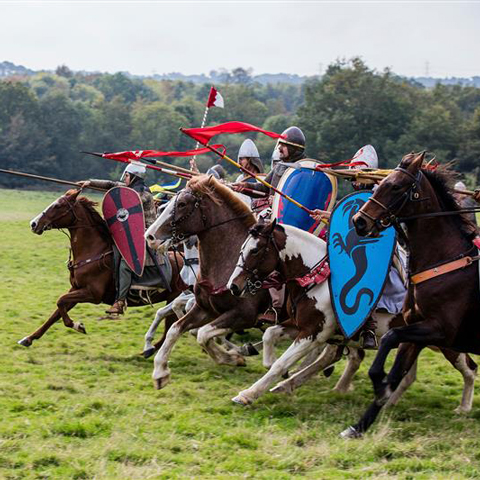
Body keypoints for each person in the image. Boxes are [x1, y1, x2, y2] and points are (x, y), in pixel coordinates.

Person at [311, 145, 407, 349]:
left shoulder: (378, 194)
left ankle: (370, 326)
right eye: (352, 176)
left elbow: (384, 224)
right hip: (357, 246)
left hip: (380, 247)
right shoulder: (359, 197)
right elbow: (352, 222)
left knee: (371, 274)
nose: (354, 181)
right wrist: (330, 217)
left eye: (357, 176)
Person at [78, 163, 159, 315]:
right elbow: (112, 185)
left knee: (125, 263)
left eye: (127, 176)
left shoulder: (142, 195)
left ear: (135, 177)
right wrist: (89, 183)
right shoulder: (130, 189)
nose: (125, 179)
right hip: (129, 232)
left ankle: (120, 301)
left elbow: (125, 210)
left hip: (145, 235)